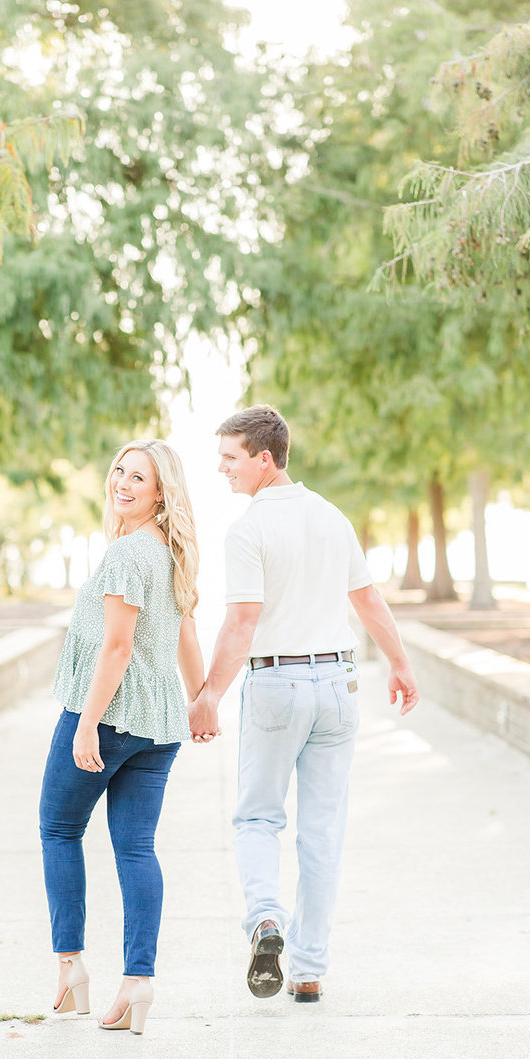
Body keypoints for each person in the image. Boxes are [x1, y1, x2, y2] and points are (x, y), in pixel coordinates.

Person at [188, 404, 419, 1004]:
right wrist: (399, 663)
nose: (221, 469)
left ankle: (267, 919)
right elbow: (367, 601)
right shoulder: (331, 517)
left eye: (230, 458)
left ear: (265, 458)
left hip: (275, 687)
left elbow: (241, 623)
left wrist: (210, 693)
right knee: (322, 832)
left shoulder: (248, 530)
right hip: (338, 686)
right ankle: (310, 969)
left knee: (258, 816)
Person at [39, 439, 204, 1034]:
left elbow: (118, 646)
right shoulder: (174, 552)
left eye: (140, 478)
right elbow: (185, 638)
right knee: (136, 848)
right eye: (119, 471)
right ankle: (138, 982)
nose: (123, 483)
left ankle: (70, 968)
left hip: (108, 717)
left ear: (161, 493)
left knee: (59, 829)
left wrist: (86, 720)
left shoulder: (127, 555)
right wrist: (202, 698)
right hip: (159, 728)